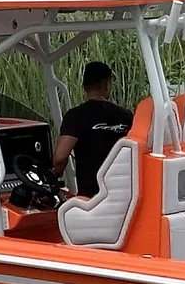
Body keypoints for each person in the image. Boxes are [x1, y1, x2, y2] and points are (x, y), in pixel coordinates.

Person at [52, 61, 134, 198]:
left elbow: (60, 157)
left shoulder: (75, 116)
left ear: (84, 87)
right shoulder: (126, 115)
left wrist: (56, 172)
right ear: (107, 84)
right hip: (124, 194)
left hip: (91, 198)